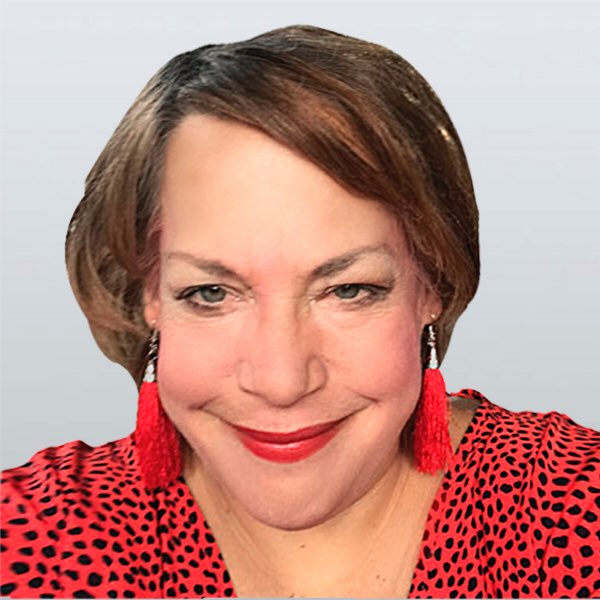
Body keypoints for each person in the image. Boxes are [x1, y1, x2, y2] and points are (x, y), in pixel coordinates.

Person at [1, 24, 598, 599]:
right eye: (211, 293)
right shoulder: (31, 538)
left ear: (432, 283)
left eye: (349, 290)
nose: (282, 382)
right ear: (149, 294)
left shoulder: (576, 513)